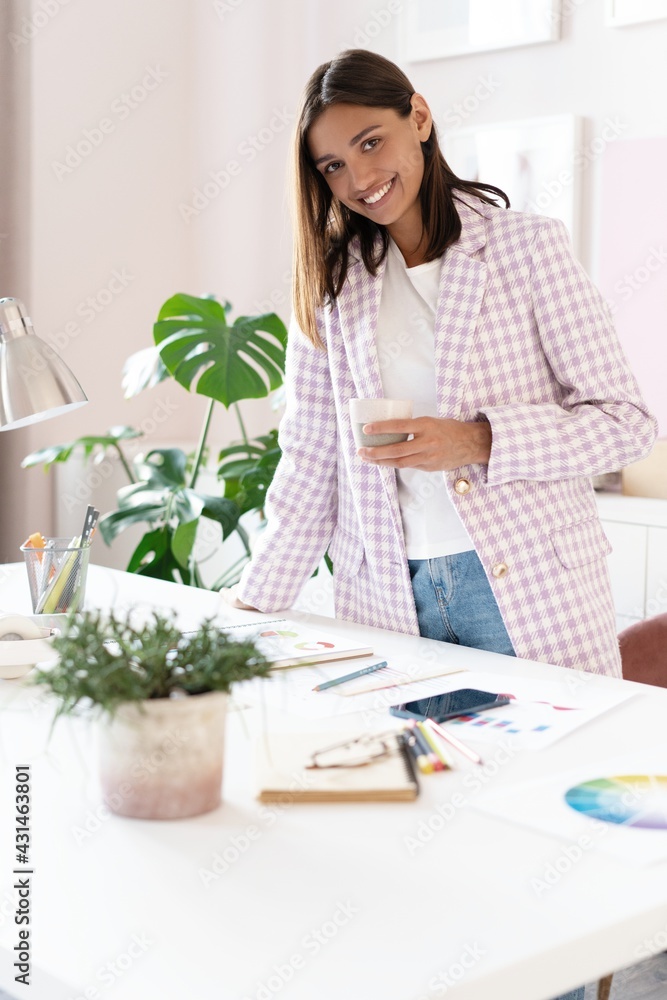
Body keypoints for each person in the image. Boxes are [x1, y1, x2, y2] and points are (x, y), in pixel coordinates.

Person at [222, 49, 657, 1000]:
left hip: (527, 589)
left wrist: (477, 440)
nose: (357, 176)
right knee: (427, 828)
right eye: (332, 165)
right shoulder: (336, 290)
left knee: (551, 830)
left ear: (418, 117)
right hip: (391, 601)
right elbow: (310, 471)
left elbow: (625, 421)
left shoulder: (526, 248)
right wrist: (247, 615)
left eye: (369, 143)